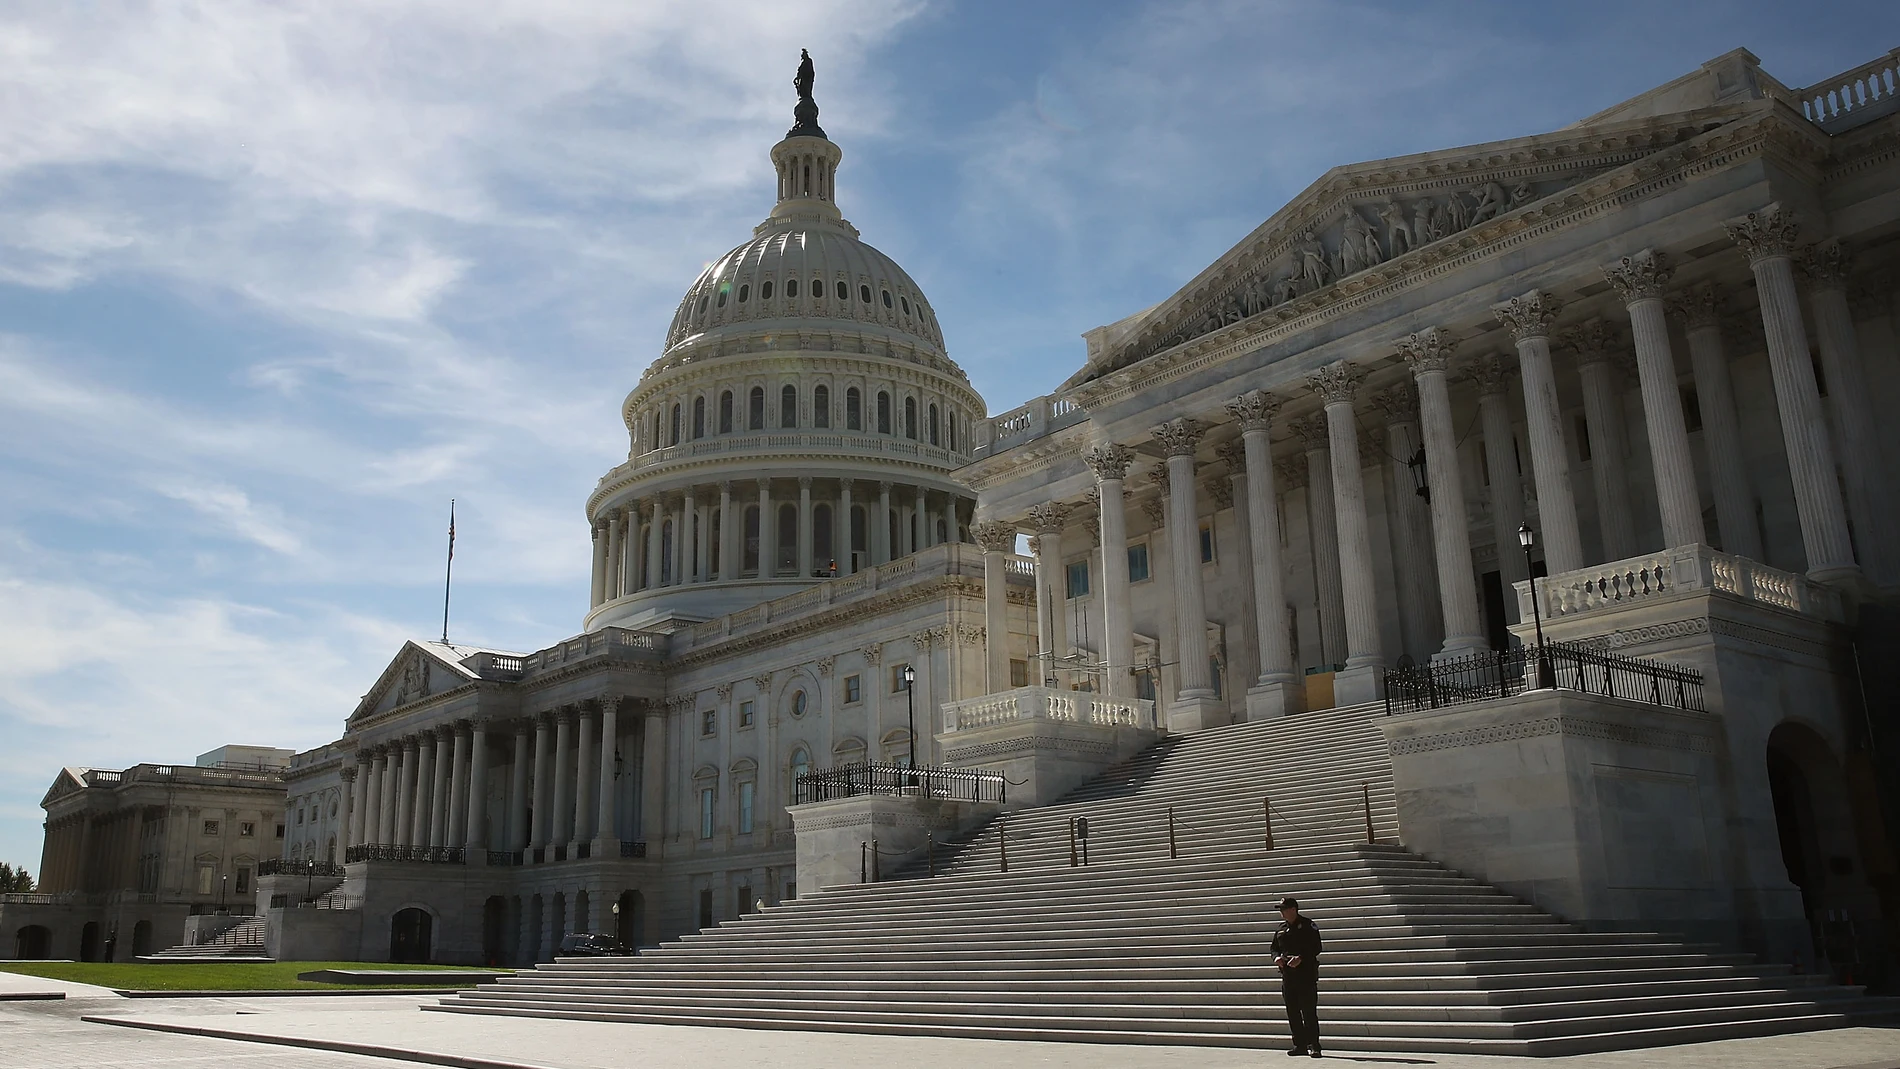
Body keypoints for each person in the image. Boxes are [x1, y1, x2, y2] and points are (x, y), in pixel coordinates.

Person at [1271, 896, 1323, 1057]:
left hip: (1305, 975)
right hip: (1288, 976)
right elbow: (1274, 948)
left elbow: (1316, 947)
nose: (1281, 912)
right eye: (1280, 909)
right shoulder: (1281, 928)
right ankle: (1299, 1044)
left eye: (1284, 909)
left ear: (1293, 909)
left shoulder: (1308, 925)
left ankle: (1314, 1045)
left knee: (1308, 1012)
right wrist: (1276, 958)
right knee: (1292, 1012)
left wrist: (1301, 958)